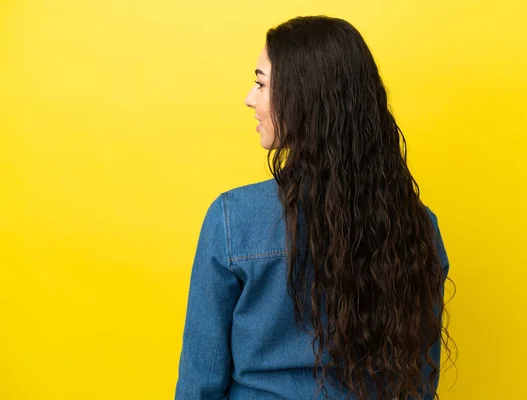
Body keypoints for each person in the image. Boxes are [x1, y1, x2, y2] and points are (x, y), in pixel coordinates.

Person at [175, 15, 451, 400]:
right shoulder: (417, 227)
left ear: (302, 97)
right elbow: (419, 382)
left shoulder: (231, 220)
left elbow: (199, 384)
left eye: (261, 83)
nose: (249, 98)